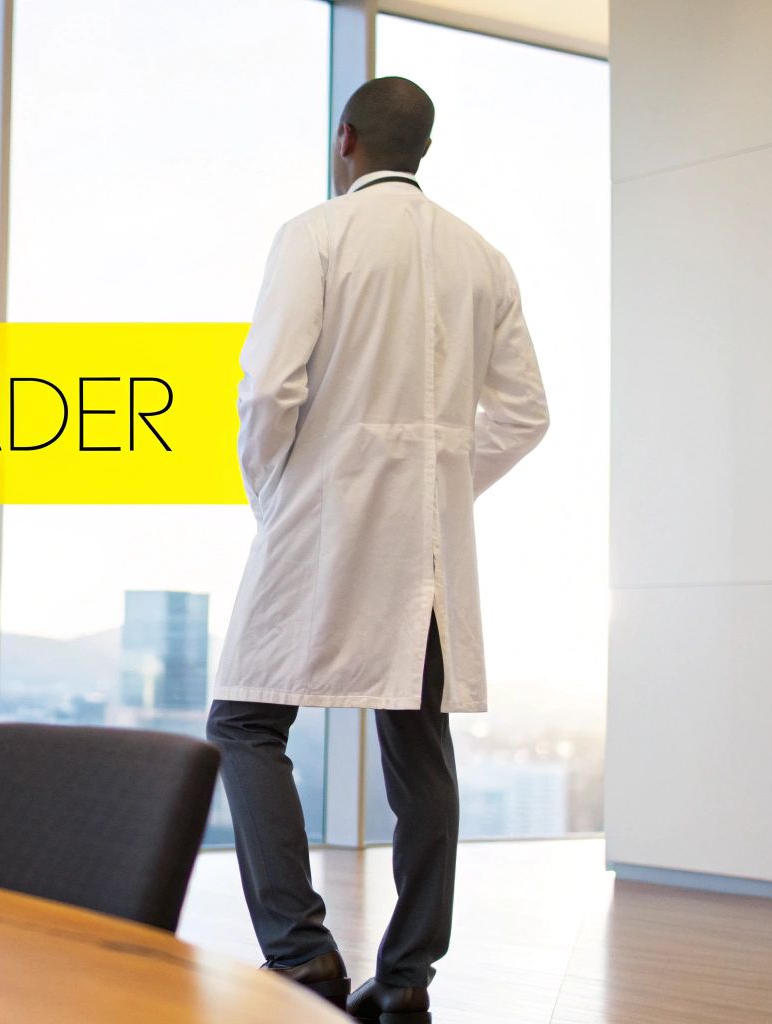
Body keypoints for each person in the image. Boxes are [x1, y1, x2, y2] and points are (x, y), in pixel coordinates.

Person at [205, 76, 549, 1021]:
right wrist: (436, 485)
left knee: (245, 725)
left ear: (343, 137)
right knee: (418, 749)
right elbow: (525, 414)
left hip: (318, 521)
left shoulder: (314, 235)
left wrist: (276, 494)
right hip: (427, 555)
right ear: (422, 150)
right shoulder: (485, 259)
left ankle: (302, 952)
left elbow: (270, 389)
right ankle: (404, 982)